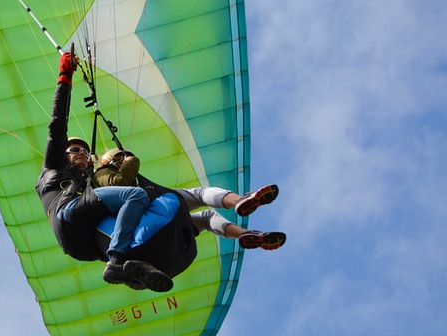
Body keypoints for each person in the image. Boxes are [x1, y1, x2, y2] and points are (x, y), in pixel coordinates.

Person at [35, 52, 173, 293]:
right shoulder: (53, 165)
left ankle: (128, 268)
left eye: (86, 152)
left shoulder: (87, 179)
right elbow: (57, 123)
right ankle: (117, 260)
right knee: (134, 197)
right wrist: (65, 76)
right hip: (67, 213)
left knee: (130, 231)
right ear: (64, 153)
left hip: (82, 244)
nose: (81, 154)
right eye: (75, 149)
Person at [93, 148, 286, 250]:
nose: (126, 157)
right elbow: (119, 181)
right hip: (150, 217)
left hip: (158, 226)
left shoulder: (130, 179)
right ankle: (239, 201)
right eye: (121, 155)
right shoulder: (102, 174)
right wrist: (130, 161)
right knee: (201, 194)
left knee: (207, 217)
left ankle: (246, 234)